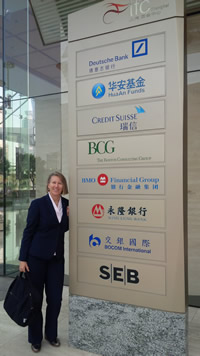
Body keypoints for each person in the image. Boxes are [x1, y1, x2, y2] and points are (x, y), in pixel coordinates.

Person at [19, 171, 69, 353]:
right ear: (48, 185)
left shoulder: (66, 204)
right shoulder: (38, 204)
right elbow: (28, 231)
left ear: (63, 187)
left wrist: (70, 218)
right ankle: (35, 338)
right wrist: (22, 258)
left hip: (56, 260)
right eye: (54, 182)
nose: (57, 186)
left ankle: (50, 334)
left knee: (55, 300)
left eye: (60, 183)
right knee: (36, 301)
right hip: (36, 259)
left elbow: (62, 228)